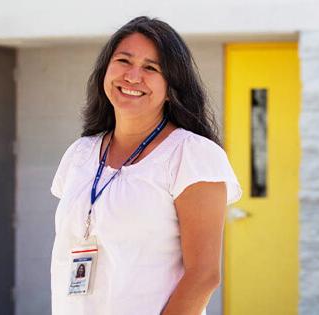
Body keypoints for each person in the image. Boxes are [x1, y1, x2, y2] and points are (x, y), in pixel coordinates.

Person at [49, 16, 242, 315]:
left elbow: (203, 276)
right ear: (105, 69)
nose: (133, 76)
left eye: (151, 68)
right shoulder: (80, 154)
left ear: (171, 86)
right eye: (123, 61)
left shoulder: (192, 155)